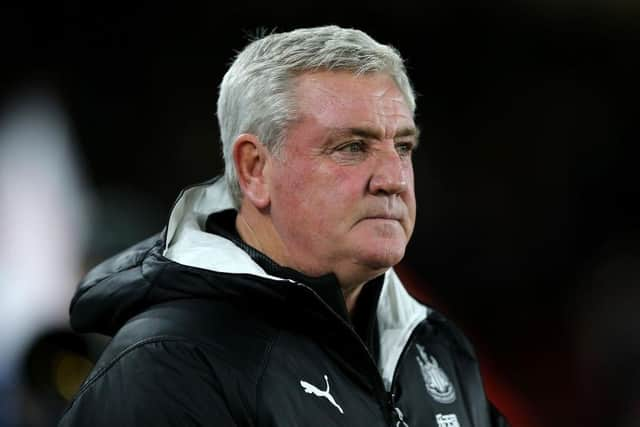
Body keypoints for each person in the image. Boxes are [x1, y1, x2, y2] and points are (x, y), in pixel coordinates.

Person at [58, 25, 509, 426]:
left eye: (404, 147)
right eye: (352, 147)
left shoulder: (436, 351)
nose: (393, 179)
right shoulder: (169, 366)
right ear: (255, 168)